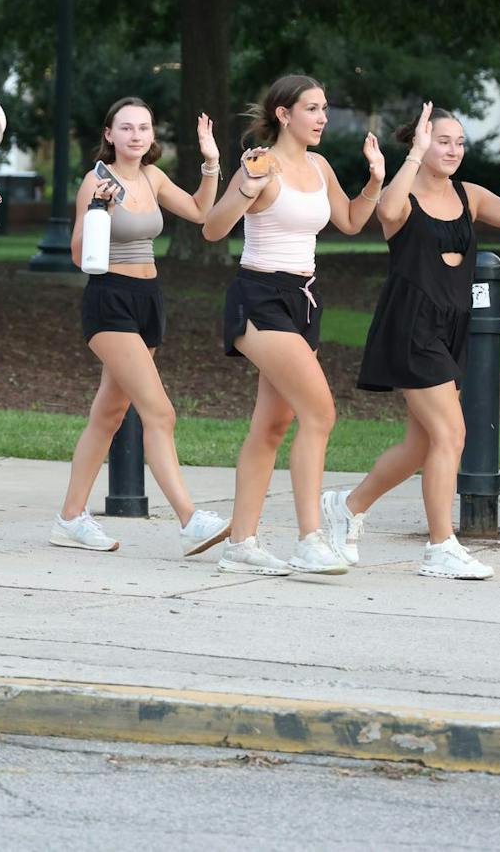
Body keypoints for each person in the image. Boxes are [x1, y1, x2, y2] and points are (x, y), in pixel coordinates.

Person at [321, 104, 500, 580]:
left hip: (453, 326)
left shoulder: (470, 195)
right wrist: (413, 156)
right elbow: (387, 210)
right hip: (411, 324)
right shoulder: (402, 192)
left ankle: (347, 505)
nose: (454, 150)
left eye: (459, 143)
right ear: (422, 143)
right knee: (452, 434)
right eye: (443, 141)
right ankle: (440, 546)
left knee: (421, 445)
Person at [201, 73, 385, 576]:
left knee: (273, 423)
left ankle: (241, 543)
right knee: (320, 413)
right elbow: (213, 228)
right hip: (259, 298)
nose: (323, 117)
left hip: (304, 299)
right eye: (312, 108)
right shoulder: (262, 164)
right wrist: (247, 188)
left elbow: (349, 221)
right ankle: (310, 538)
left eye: (325, 108)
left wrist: (373, 181)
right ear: (284, 114)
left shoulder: (320, 165)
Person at [52, 97, 230, 555]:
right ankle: (190, 519)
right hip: (109, 299)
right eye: (126, 128)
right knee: (160, 412)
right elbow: (78, 256)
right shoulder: (96, 180)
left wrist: (210, 164)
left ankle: (70, 518)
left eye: (144, 128)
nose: (136, 135)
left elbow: (198, 212)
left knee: (108, 415)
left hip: (149, 300)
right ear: (109, 135)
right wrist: (100, 211)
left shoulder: (152, 176)